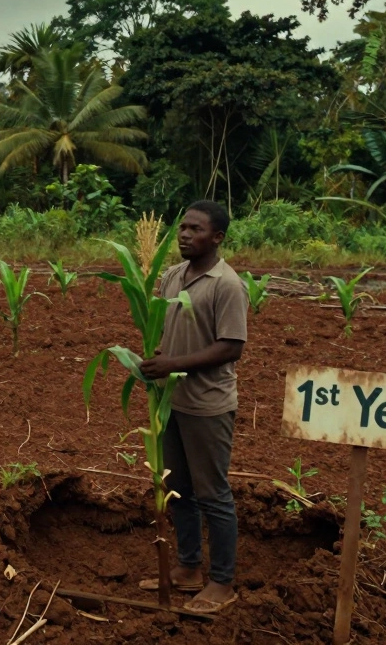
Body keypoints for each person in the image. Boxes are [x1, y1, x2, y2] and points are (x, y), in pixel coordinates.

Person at [138, 200, 247, 614]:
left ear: (216, 238)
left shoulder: (226, 284)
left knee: (213, 494)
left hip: (207, 406)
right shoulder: (171, 277)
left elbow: (231, 346)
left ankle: (222, 581)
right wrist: (152, 362)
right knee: (177, 488)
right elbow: (169, 329)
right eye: (182, 227)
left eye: (196, 229)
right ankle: (188, 568)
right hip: (170, 402)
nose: (184, 234)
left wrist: (173, 364)